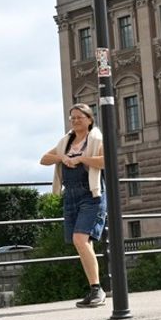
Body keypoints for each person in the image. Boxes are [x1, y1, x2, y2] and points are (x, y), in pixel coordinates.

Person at [40, 103, 107, 308]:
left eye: (79, 117)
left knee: (80, 239)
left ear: (89, 119)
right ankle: (94, 288)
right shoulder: (66, 142)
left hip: (91, 194)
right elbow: (44, 159)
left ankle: (97, 289)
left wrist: (81, 159)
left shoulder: (96, 140)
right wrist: (62, 157)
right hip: (71, 194)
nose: (75, 120)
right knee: (82, 243)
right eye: (72, 118)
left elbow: (106, 161)